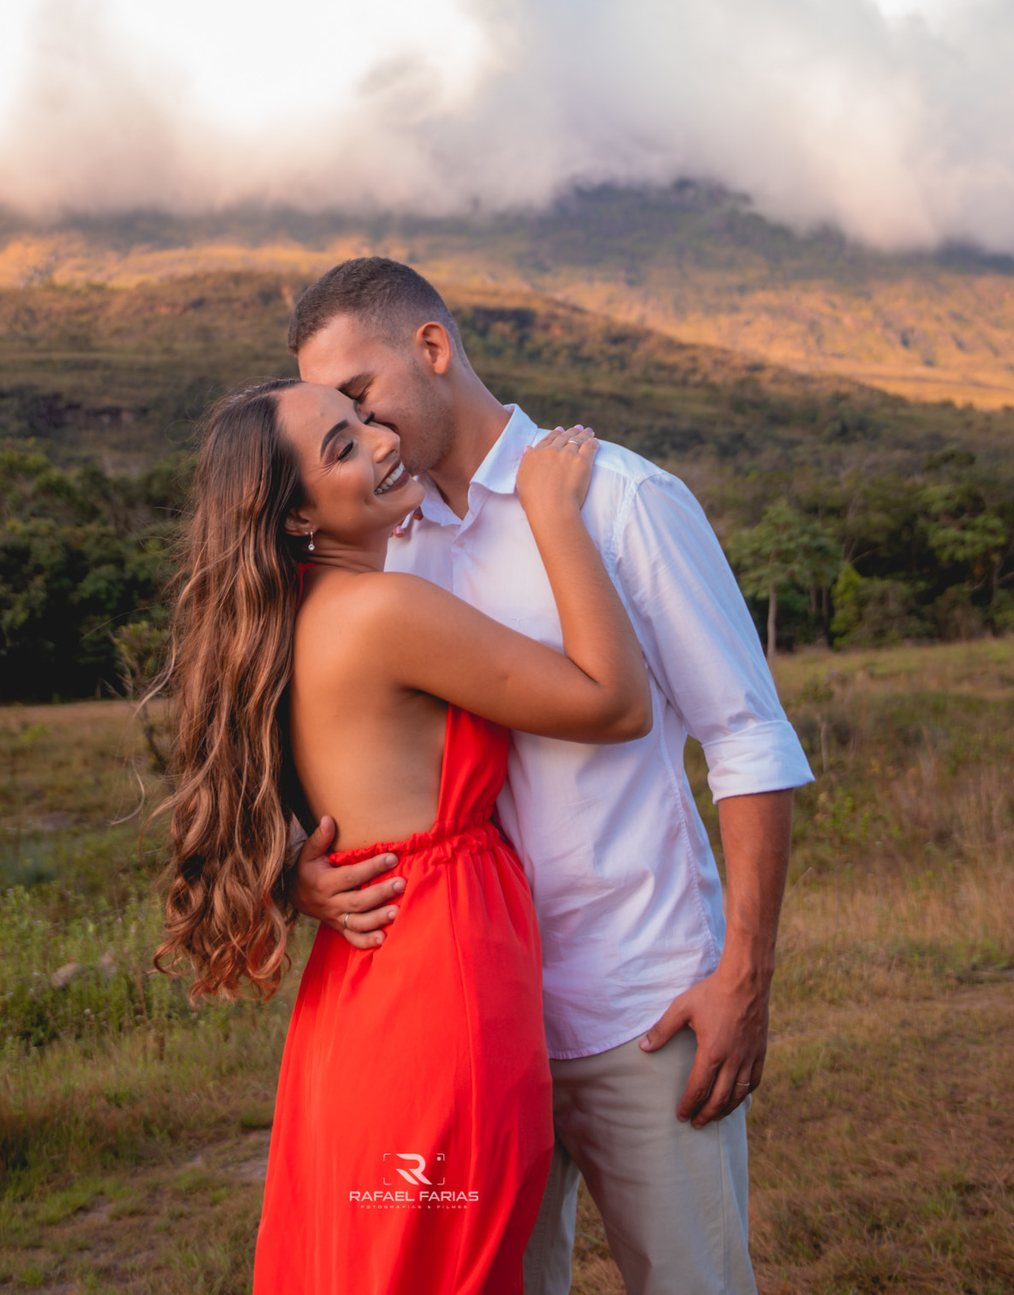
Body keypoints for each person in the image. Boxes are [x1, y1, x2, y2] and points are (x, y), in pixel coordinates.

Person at [287, 258, 816, 1295]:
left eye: (360, 398)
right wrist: (299, 870)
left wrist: (743, 975)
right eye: (337, 422)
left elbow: (747, 737)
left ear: (432, 349)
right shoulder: (384, 545)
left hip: (640, 1006)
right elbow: (339, 742)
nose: (367, 435)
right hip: (475, 1030)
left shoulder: (620, 499)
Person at [154, 377, 652, 1295]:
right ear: (296, 515)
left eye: (364, 423)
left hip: (362, 990)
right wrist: (553, 514)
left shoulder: (283, 626)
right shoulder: (383, 615)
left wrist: (293, 879)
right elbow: (616, 705)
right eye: (341, 449)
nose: (382, 445)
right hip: (441, 981)